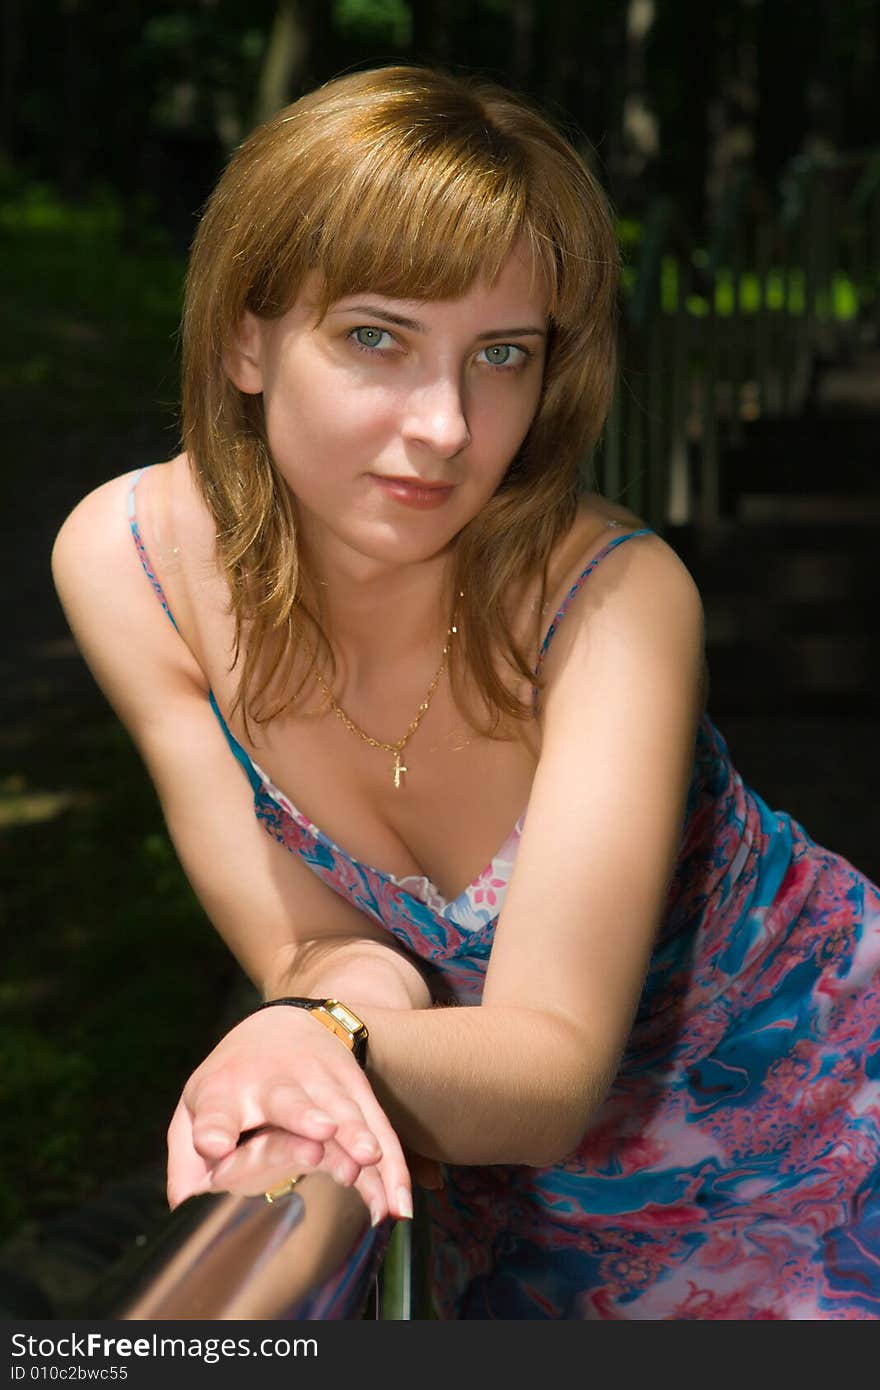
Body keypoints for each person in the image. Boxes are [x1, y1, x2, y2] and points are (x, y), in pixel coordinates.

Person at [51, 64, 880, 1321]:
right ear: (246, 336)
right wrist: (324, 1012)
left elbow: (546, 1065)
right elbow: (312, 940)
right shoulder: (132, 569)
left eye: (501, 354)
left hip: (831, 1136)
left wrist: (326, 1040)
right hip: (518, 1217)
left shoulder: (611, 597)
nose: (444, 424)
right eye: (375, 336)